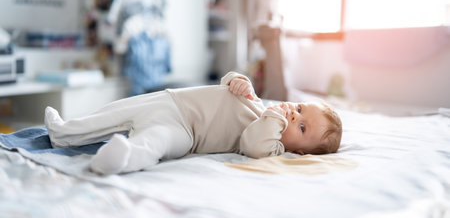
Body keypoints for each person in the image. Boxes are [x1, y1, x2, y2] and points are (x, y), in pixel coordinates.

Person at [44, 72, 342, 175]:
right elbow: (228, 83)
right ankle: (65, 133)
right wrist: (238, 80)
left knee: (155, 142)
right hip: (170, 101)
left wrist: (278, 117)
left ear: (301, 153)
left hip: (184, 132)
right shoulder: (257, 103)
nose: (294, 115)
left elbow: (253, 142)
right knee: (111, 113)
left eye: (302, 127)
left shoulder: (270, 144)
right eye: (300, 108)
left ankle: (122, 157)